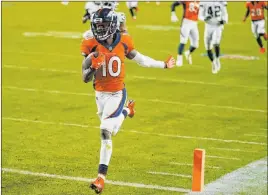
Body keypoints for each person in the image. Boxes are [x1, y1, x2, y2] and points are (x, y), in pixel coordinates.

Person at [80, 8, 175, 194]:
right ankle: (128, 111)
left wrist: (163, 64)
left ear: (113, 25)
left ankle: (101, 177)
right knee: (111, 130)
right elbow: (84, 77)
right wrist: (92, 67)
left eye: (103, 25)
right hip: (99, 95)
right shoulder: (90, 43)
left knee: (105, 132)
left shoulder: (123, 41)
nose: (100, 29)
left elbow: (142, 61)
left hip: (117, 94)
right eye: (97, 25)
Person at [198, 0, 228, 74]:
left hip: (218, 25)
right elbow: (199, 15)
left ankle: (217, 59)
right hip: (208, 26)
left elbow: (225, 13)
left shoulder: (221, 1)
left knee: (215, 43)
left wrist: (224, 20)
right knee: (207, 47)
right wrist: (204, 18)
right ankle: (213, 63)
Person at [171, 1, 200, 66]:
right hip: (186, 23)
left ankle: (188, 53)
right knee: (183, 41)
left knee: (196, 44)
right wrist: (173, 14)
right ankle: (179, 58)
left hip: (194, 23)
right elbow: (173, 4)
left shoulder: (199, 1)